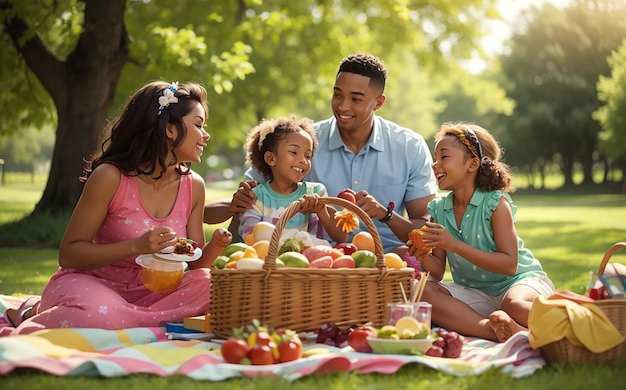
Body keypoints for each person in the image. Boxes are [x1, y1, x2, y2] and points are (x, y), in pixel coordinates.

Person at [1, 80, 231, 335]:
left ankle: (129, 321)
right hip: (96, 284)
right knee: (100, 315)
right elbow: (69, 254)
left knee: (217, 289)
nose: (206, 134)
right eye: (198, 125)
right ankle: (34, 311)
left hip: (158, 291)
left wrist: (217, 246)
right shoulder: (111, 177)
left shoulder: (194, 186)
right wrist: (136, 247)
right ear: (170, 130)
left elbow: (195, 266)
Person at [205, 53, 438, 254]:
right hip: (312, 262)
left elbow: (423, 227)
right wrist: (239, 200)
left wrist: (384, 214)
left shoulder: (409, 146)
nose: (343, 106)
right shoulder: (301, 141)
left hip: (385, 260)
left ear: (378, 103)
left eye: (356, 99)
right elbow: (243, 202)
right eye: (337, 95)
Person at [408, 122, 555, 342]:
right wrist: (424, 258)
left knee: (512, 305)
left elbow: (509, 264)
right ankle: (494, 330)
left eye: (444, 157)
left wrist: (454, 245)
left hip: (518, 283)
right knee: (423, 292)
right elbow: (437, 271)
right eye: (435, 158)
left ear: (473, 164)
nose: (435, 164)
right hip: (476, 291)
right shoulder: (438, 210)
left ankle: (569, 322)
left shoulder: (495, 203)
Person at [238, 115, 347, 244]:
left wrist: (321, 211)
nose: (303, 160)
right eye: (294, 152)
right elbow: (251, 237)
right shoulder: (256, 197)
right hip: (270, 261)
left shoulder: (316, 192)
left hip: (310, 262)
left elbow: (341, 238)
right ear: (271, 159)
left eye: (308, 156)